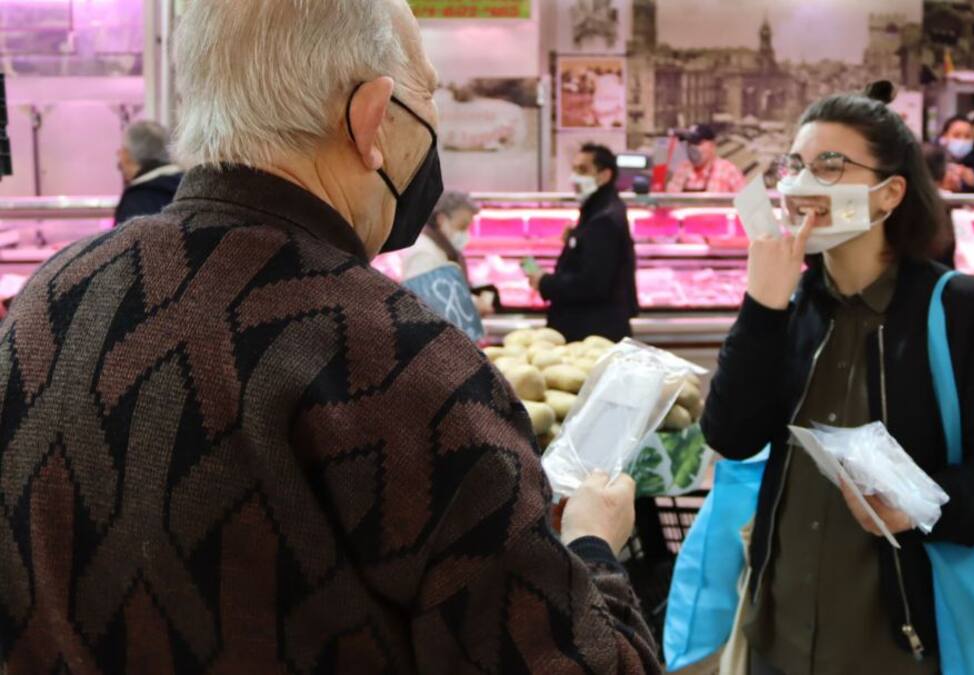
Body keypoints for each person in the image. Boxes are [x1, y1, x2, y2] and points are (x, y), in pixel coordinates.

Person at [0, 2, 659, 672]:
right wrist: (593, 547)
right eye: (426, 97)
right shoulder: (404, 368)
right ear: (372, 117)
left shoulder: (43, 308)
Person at [701, 81, 974, 674]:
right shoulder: (792, 302)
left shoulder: (959, 307)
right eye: (797, 166)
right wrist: (761, 309)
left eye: (831, 166)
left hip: (896, 639)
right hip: (777, 630)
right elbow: (731, 436)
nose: (805, 185)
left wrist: (920, 503)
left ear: (889, 195)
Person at [529, 142, 638, 342]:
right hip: (593, 327)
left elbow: (592, 284)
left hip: (592, 331)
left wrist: (545, 282)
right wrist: (577, 238)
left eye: (583, 170)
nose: (574, 177)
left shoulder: (604, 219)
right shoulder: (598, 209)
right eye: (574, 169)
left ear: (604, 175)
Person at [402, 190, 496, 316]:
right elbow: (425, 302)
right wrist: (472, 305)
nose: (465, 234)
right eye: (462, 226)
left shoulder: (443, 250)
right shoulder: (424, 252)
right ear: (441, 220)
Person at [114, 119, 183, 225]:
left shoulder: (137, 200)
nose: (118, 154)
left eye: (122, 149)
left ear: (128, 155)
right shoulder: (187, 185)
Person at [666, 123, 746, 193]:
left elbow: (749, 206)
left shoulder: (729, 171)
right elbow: (670, 203)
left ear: (712, 145)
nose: (692, 148)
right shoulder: (682, 170)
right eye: (690, 143)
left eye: (697, 143)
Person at [938, 115, 974, 193]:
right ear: (944, 136)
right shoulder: (934, 156)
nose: (962, 140)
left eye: (967, 136)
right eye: (956, 135)